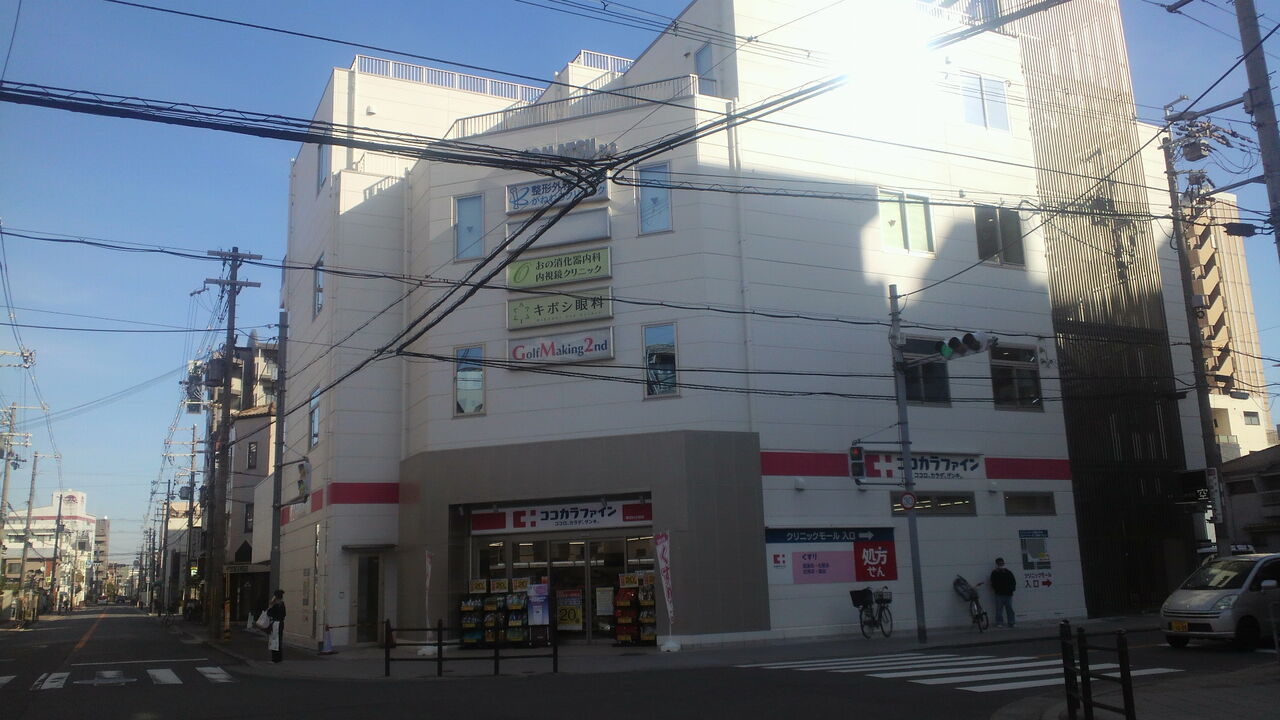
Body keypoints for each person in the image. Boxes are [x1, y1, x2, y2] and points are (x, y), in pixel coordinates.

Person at [990, 557, 1017, 628]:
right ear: (996, 564)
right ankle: (999, 622)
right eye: (999, 563)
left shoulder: (1008, 572)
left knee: (1010, 609)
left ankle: (1011, 622)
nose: (1001, 564)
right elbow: (993, 582)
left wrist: (1012, 590)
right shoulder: (994, 573)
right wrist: (997, 590)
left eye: (1002, 563)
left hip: (1008, 594)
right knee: (999, 609)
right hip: (999, 594)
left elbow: (1013, 581)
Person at [266, 590, 287, 663]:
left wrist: (270, 606)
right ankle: (279, 658)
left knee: (274, 641)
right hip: (281, 623)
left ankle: (274, 659)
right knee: (279, 641)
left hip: (275, 624)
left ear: (275, 597)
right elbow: (284, 614)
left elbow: (269, 613)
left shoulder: (275, 605)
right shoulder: (282, 604)